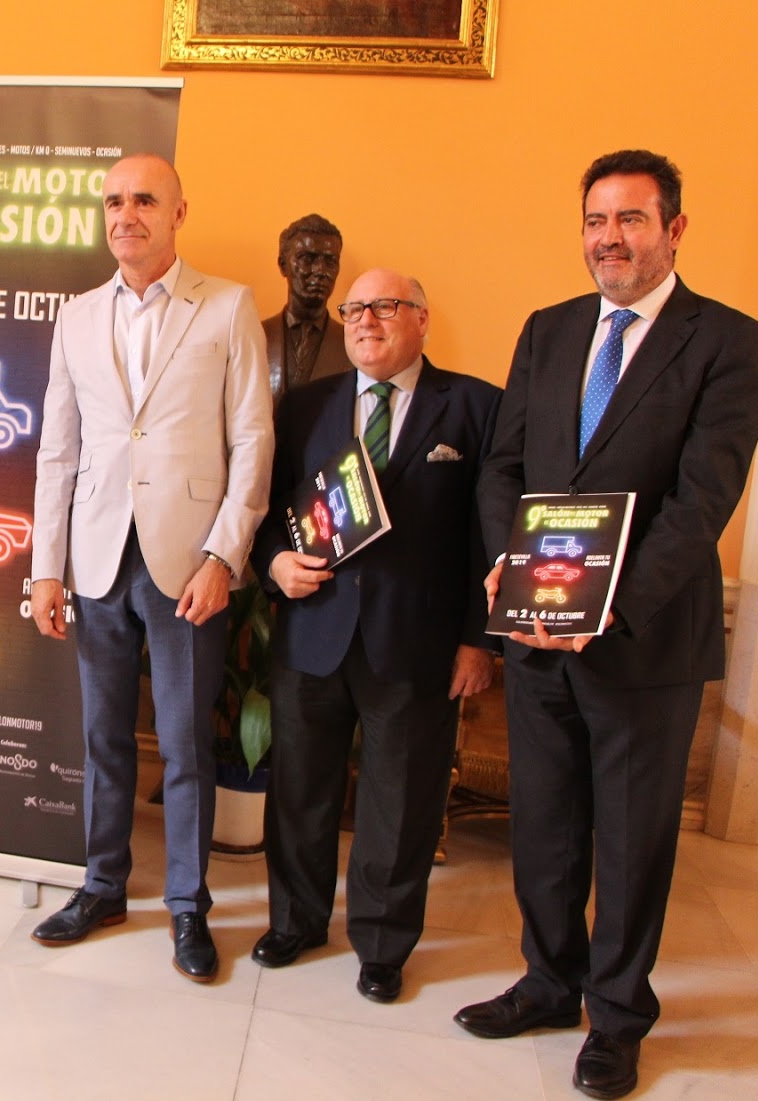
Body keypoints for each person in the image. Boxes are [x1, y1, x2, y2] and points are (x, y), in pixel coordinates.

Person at [461, 150, 758, 1100]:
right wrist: (509, 566)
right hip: (536, 632)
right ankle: (549, 983)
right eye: (596, 220)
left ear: (674, 229)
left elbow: (702, 500)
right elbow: (503, 468)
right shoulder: (549, 330)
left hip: (644, 641)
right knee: (545, 823)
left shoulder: (729, 341)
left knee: (633, 841)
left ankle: (619, 1015)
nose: (610, 238)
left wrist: (607, 606)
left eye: (631, 219)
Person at [28, 153, 272, 983]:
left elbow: (253, 440)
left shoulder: (228, 305)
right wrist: (46, 568)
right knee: (103, 735)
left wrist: (224, 555)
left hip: (188, 563)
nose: (124, 215)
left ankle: (187, 904)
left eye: (142, 200)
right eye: (112, 201)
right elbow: (58, 448)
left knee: (185, 742)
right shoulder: (76, 316)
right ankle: (102, 886)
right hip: (96, 556)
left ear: (178, 213)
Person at [249, 269, 500, 1003]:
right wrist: (274, 563)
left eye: (385, 306)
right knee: (300, 791)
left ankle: (384, 945)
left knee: (402, 801)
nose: (365, 320)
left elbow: (490, 535)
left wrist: (478, 640)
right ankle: (295, 921)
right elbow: (265, 506)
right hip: (314, 631)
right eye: (354, 308)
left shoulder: (476, 406)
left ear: (422, 317)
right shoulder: (305, 406)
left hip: (418, 645)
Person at [262, 214, 352, 398]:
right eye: (307, 259)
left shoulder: (352, 344)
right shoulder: (256, 335)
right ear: (283, 265)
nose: (320, 271)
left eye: (330, 261)